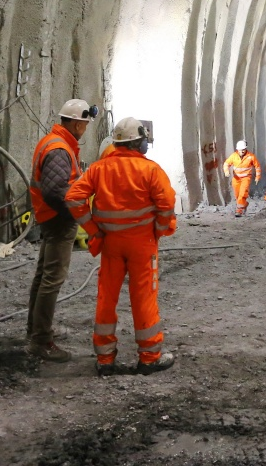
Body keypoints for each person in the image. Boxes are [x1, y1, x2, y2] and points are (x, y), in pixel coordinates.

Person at [67, 117, 177, 377]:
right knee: (144, 299)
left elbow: (73, 198)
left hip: (111, 244)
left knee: (106, 298)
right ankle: (149, 357)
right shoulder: (151, 170)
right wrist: (159, 231)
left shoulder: (98, 169)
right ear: (138, 142)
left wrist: (94, 231)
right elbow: (167, 205)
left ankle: (105, 359)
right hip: (142, 244)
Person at [26, 98, 98, 362]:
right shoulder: (59, 148)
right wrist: (80, 215)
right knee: (52, 278)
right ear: (77, 123)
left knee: (43, 275)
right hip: (57, 219)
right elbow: (56, 191)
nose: (86, 128)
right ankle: (41, 341)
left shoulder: (55, 142)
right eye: (85, 123)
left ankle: (34, 331)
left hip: (50, 217)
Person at [222, 139, 260, 217]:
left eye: (243, 150)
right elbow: (226, 163)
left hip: (246, 178)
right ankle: (244, 204)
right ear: (237, 149)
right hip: (236, 178)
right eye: (240, 150)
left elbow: (257, 166)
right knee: (237, 194)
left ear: (246, 149)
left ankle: (239, 210)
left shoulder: (251, 156)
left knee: (242, 194)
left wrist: (257, 177)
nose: (242, 151)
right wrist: (226, 171)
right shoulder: (234, 156)